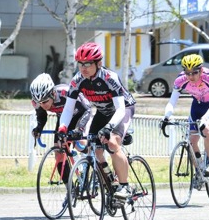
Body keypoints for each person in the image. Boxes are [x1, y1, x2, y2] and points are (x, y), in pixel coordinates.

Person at [57, 42, 136, 201]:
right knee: (94, 149)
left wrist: (109, 128)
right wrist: (63, 127)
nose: (83, 68)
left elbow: (120, 109)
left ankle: (125, 186)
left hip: (123, 109)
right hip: (102, 112)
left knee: (113, 143)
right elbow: (68, 109)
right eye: (80, 64)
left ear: (98, 63)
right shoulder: (77, 80)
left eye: (88, 64)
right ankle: (110, 181)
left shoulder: (109, 77)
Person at [163, 54, 209, 177]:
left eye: (194, 72)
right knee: (192, 140)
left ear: (201, 70)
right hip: (197, 105)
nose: (191, 76)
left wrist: (204, 119)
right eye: (187, 73)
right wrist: (166, 117)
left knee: (207, 128)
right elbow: (172, 101)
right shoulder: (180, 80)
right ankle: (199, 169)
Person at [30, 73, 92, 184]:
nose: (42, 105)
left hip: (81, 115)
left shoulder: (65, 93)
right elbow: (42, 116)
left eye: (45, 102)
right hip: (63, 119)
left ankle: (90, 159)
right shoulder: (38, 101)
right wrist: (38, 128)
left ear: (53, 94)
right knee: (59, 152)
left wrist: (80, 130)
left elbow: (87, 110)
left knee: (79, 144)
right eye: (39, 103)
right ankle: (71, 191)